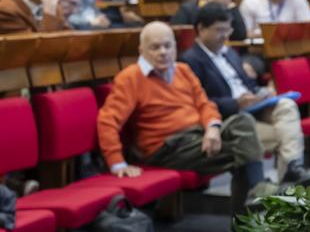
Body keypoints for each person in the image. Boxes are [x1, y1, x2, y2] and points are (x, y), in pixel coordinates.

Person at [97, 22, 277, 214]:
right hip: (166, 147)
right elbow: (108, 120)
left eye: (168, 46)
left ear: (175, 47)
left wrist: (212, 128)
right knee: (245, 154)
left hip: (197, 136)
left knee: (243, 122)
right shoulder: (130, 78)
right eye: (155, 47)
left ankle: (253, 199)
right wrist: (117, 163)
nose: (163, 52)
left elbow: (205, 105)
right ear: (142, 50)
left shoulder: (183, 70)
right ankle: (255, 197)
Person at [181, 3, 310, 183]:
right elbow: (200, 102)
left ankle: (291, 169)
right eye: (219, 30)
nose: (225, 36)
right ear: (201, 29)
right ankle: (288, 177)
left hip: (254, 107)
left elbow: (247, 84)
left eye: (227, 30)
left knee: (286, 105)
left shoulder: (229, 53)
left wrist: (262, 92)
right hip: (232, 117)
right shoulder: (190, 60)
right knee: (287, 135)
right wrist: (236, 103)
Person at [170, 0, 247, 41]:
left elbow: (241, 36)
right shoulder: (187, 10)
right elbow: (178, 36)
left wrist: (233, 9)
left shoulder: (229, 9)